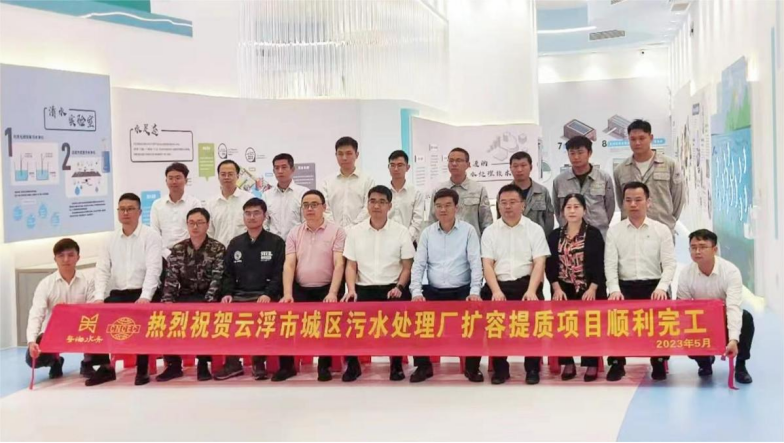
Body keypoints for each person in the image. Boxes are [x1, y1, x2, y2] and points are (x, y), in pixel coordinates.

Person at [341, 185, 415, 383]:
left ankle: (396, 364)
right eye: (372, 201)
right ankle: (353, 364)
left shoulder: (401, 232)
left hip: (392, 287)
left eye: (382, 202)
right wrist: (351, 289)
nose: (376, 206)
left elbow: (407, 266)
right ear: (367, 204)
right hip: (363, 288)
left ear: (390, 206)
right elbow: (351, 266)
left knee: (399, 316)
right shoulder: (355, 232)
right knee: (347, 314)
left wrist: (399, 287)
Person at [410, 188, 484, 383]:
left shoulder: (468, 231)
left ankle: (472, 367)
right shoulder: (427, 233)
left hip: (463, 290)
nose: (443, 210)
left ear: (456, 208)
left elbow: (475, 263)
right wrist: (416, 292)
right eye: (439, 206)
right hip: (434, 290)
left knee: (476, 318)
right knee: (416, 316)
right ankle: (423, 366)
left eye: (447, 205)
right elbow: (418, 265)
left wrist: (475, 291)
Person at [89, 193, 163, 387]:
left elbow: (154, 268)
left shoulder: (151, 236)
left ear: (139, 212)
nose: (126, 213)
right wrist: (98, 297)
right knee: (97, 317)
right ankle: (105, 367)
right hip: (120, 292)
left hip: (145, 293)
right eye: (122, 209)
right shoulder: (109, 239)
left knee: (143, 318)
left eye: (130, 209)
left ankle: (142, 368)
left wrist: (145, 296)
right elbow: (102, 269)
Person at [605, 182, 677, 382]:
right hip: (624, 285)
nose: (633, 204)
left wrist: (662, 287)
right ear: (623, 203)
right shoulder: (615, 231)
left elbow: (669, 264)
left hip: (654, 285)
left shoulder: (661, 230)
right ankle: (617, 363)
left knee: (660, 323)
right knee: (615, 319)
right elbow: (610, 265)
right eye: (628, 200)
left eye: (638, 200)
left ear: (648, 202)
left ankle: (659, 361)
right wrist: (614, 289)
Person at [480, 184, 550, 385]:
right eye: (503, 203)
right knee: (495, 326)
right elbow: (487, 264)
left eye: (512, 202)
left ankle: (532, 368)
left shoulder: (534, 229)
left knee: (534, 325)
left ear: (523, 204)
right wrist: (496, 291)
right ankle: (501, 369)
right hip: (498, 285)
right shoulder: (490, 231)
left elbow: (539, 262)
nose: (508, 207)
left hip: (526, 284)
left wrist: (531, 290)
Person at [276, 190, 347, 382]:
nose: (310, 208)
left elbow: (339, 263)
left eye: (314, 204)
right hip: (300, 287)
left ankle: (324, 366)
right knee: (286, 323)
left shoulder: (337, 231)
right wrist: (288, 293)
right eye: (306, 205)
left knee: (328, 326)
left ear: (324, 207)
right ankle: (286, 367)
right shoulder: (294, 232)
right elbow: (289, 264)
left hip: (327, 288)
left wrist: (333, 293)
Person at [213, 198, 286, 382]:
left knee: (262, 316)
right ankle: (233, 364)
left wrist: (268, 294)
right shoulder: (235, 243)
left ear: (265, 216)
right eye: (248, 213)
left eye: (256, 213)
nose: (252, 217)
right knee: (225, 317)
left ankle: (258, 362)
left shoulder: (276, 242)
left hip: (264, 294)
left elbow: (279, 274)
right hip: (239, 295)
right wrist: (227, 293)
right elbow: (228, 273)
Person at [156, 208, 226, 383]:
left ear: (207, 225)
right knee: (164, 316)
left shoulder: (217, 248)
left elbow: (217, 278)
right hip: (185, 295)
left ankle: (202, 363)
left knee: (202, 318)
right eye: (191, 223)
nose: (195, 227)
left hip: (207, 297)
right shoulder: (178, 249)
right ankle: (173, 365)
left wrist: (208, 302)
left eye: (200, 223)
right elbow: (171, 279)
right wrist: (168, 301)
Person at [677, 229, 754, 384]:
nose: (697, 251)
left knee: (745, 318)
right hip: (700, 321)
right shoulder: (686, 273)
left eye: (702, 247)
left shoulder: (730, 272)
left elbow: (733, 307)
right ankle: (704, 362)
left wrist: (733, 339)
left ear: (715, 249)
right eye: (693, 247)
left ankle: (741, 365)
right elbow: (682, 308)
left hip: (724, 318)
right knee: (687, 336)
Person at [545, 194, 607, 382]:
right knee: (564, 325)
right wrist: (556, 288)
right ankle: (568, 362)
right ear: (562, 211)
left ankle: (591, 363)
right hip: (563, 288)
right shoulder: (555, 236)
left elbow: (600, 263)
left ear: (584, 210)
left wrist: (593, 288)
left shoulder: (593, 234)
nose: (572, 211)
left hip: (589, 287)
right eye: (568, 207)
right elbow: (550, 265)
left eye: (576, 207)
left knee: (590, 325)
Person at [26, 238, 107, 380]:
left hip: (82, 328)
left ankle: (88, 363)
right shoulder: (45, 284)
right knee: (32, 358)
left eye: (70, 255)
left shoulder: (88, 281)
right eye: (61, 256)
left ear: (78, 257)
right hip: (54, 331)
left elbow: (93, 311)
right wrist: (31, 341)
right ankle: (55, 361)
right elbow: (36, 313)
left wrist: (69, 311)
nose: (66, 259)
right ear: (55, 259)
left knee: (99, 327)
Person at [613, 119, 685, 235]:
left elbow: (678, 199)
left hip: (662, 231)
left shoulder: (669, 165)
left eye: (642, 138)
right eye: (633, 139)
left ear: (651, 138)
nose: (637, 143)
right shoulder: (620, 170)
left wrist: (668, 220)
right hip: (631, 233)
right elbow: (622, 201)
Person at [552, 136, 615, 237]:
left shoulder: (604, 178)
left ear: (589, 153)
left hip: (599, 234)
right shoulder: (559, 181)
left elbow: (610, 207)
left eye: (580, 152)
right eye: (572, 153)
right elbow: (558, 209)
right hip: (569, 237)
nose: (576, 157)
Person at [428, 147, 493, 237]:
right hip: (445, 241)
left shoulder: (479, 189)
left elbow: (487, 222)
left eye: (459, 160)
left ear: (468, 164)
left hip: (472, 241)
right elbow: (432, 221)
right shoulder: (438, 190)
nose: (454, 164)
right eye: (451, 161)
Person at [320, 136, 376, 229]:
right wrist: (335, 228)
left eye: (349, 153)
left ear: (357, 155)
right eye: (340, 154)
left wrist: (353, 227)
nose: (344, 158)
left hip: (360, 231)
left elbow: (368, 207)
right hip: (332, 232)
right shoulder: (327, 182)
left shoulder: (367, 181)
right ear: (336, 155)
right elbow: (324, 208)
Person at [150, 162, 202, 258]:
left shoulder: (194, 203)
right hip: (164, 255)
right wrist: (167, 254)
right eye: (170, 178)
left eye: (178, 178)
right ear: (166, 181)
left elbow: (198, 230)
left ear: (186, 180)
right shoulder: (157, 205)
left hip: (190, 255)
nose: (174, 182)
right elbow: (154, 233)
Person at [205, 160, 255, 246]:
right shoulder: (210, 203)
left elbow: (257, 226)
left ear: (238, 176)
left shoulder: (249, 199)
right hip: (219, 251)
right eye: (223, 174)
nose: (226, 177)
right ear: (218, 177)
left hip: (245, 249)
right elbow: (209, 232)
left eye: (230, 174)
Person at [262, 153, 308, 240]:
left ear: (292, 169)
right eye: (277, 168)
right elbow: (264, 223)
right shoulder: (266, 195)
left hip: (297, 242)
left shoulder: (303, 193)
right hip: (273, 244)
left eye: (284, 167)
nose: (280, 171)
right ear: (273, 171)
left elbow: (307, 222)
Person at [509, 151, 554, 236]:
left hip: (537, 239)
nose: (519, 169)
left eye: (523, 165)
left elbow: (549, 220)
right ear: (510, 168)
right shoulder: (505, 194)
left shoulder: (542, 192)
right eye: (515, 166)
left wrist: (544, 239)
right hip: (512, 239)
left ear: (531, 167)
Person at [387, 150, 425, 244]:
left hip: (409, 242)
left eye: (400, 165)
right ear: (388, 167)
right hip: (386, 242)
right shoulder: (383, 193)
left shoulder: (416, 193)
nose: (396, 169)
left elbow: (417, 221)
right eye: (392, 165)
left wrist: (405, 240)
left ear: (407, 168)